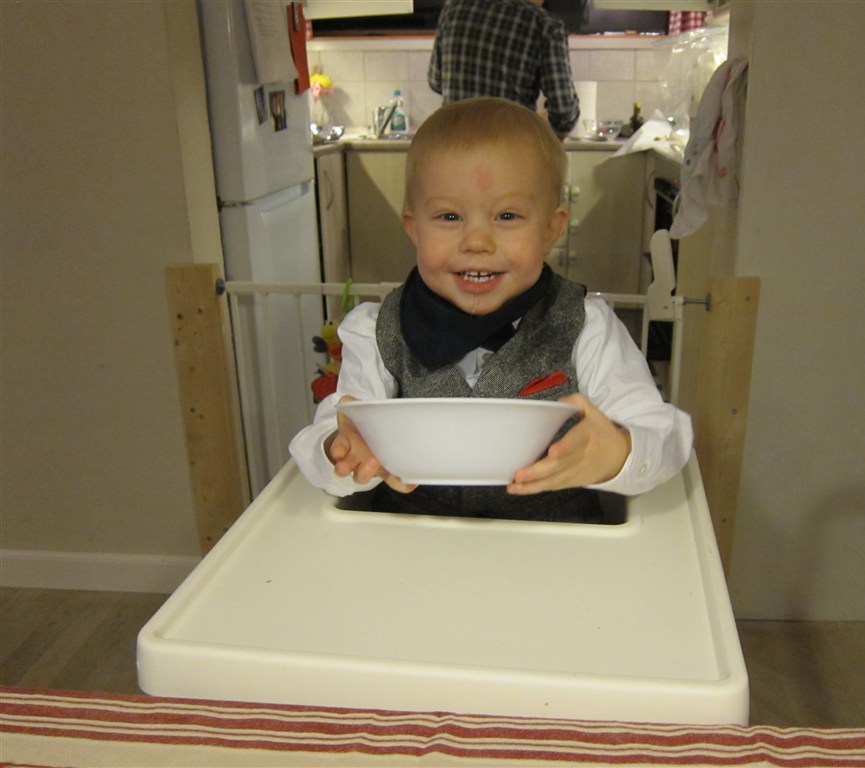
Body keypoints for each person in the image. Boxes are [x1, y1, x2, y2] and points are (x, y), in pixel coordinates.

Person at [289, 97, 692, 523]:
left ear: (551, 229)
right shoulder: (375, 331)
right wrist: (340, 449)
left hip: (558, 548)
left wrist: (621, 450)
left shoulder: (588, 328)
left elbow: (663, 432)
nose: (477, 242)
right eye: (449, 216)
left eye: (507, 215)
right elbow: (327, 433)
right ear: (413, 227)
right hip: (414, 547)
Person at [428, 0, 580, 138]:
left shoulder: (453, 10)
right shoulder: (545, 25)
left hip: (453, 145)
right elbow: (564, 111)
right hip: (509, 147)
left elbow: (436, 82)